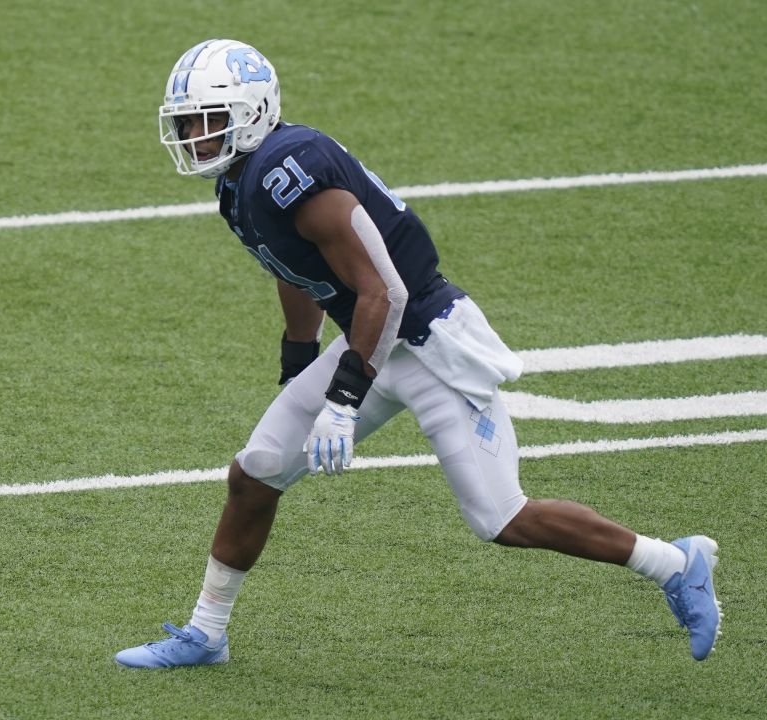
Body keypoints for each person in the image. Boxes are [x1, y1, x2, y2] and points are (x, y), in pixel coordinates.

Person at [115, 38, 722, 668]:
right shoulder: (239, 184)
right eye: (186, 122)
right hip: (370, 338)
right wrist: (299, 361)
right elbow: (294, 268)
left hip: (429, 338)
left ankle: (675, 563)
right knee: (256, 472)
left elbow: (387, 289)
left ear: (253, 110)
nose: (192, 134)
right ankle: (207, 631)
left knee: (500, 516)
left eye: (206, 119)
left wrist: (344, 399)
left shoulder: (288, 167)